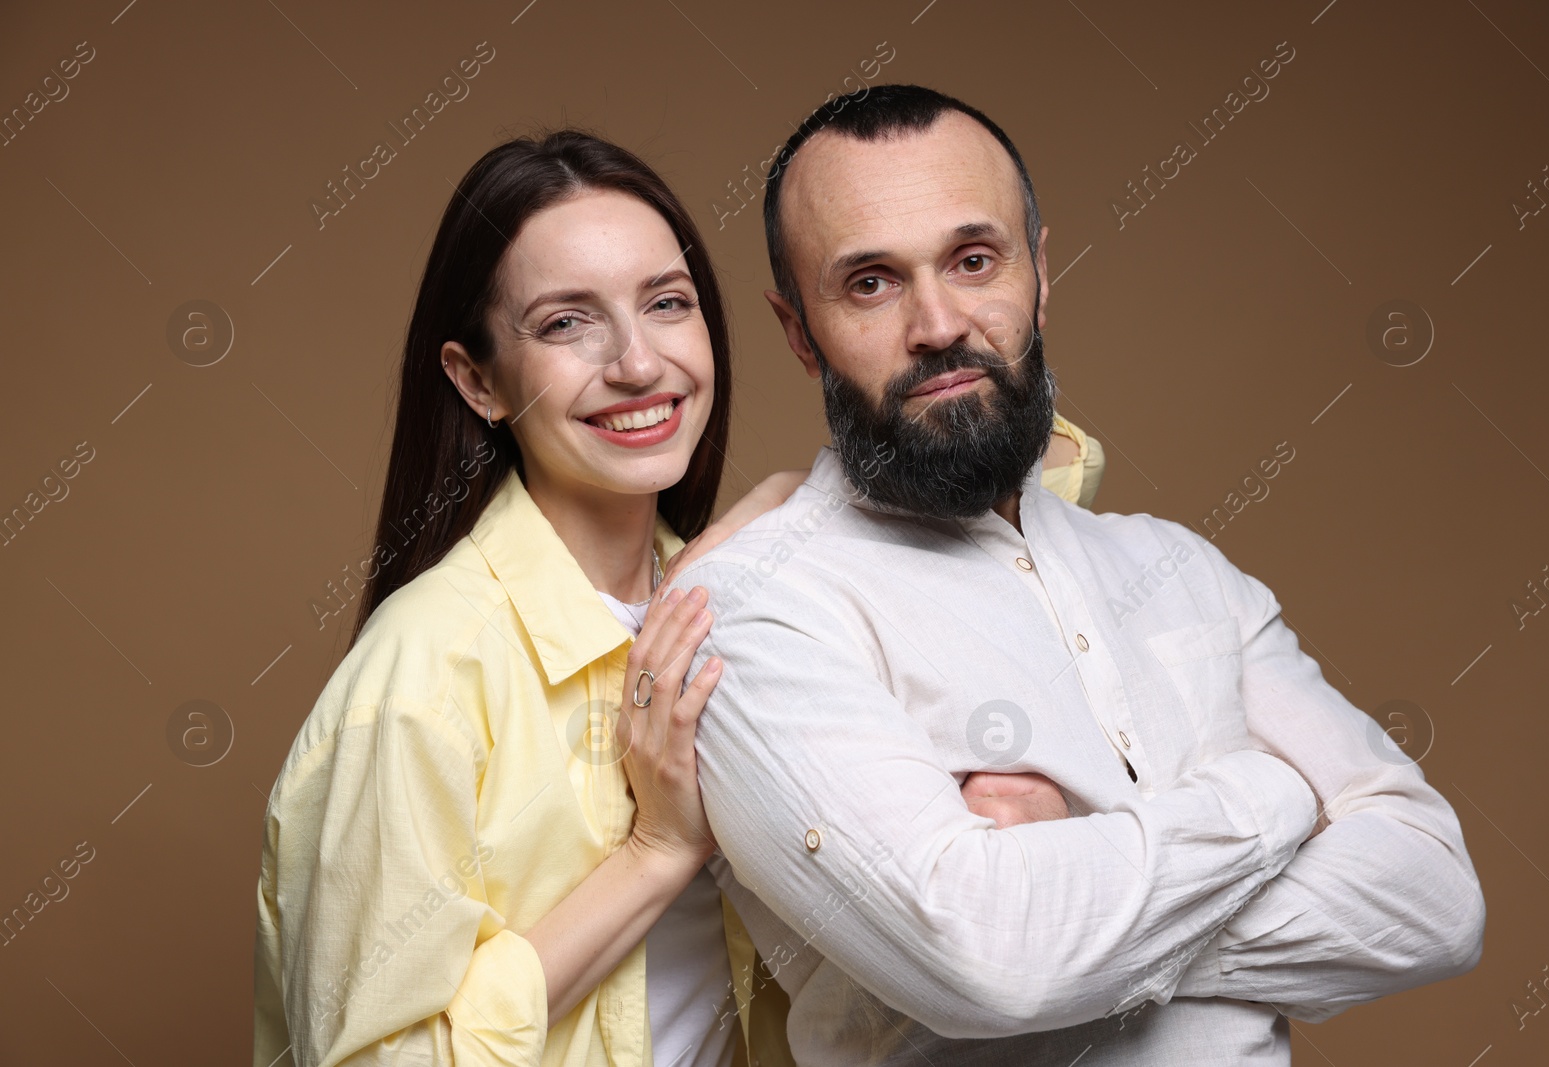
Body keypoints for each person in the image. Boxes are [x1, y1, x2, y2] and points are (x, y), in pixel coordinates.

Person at [251, 129, 1106, 1067]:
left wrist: (800, 503)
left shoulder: (745, 593)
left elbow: (1045, 472)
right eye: (567, 322)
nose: (638, 363)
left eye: (667, 303)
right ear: (478, 379)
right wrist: (657, 852)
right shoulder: (423, 672)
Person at [671, 84, 1487, 1065]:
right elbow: (992, 961)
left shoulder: (1181, 567)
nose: (938, 322)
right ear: (799, 328)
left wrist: (1075, 897)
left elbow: (1437, 898)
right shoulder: (758, 608)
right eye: (872, 283)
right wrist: (1277, 795)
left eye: (975, 260)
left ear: (1039, 271)